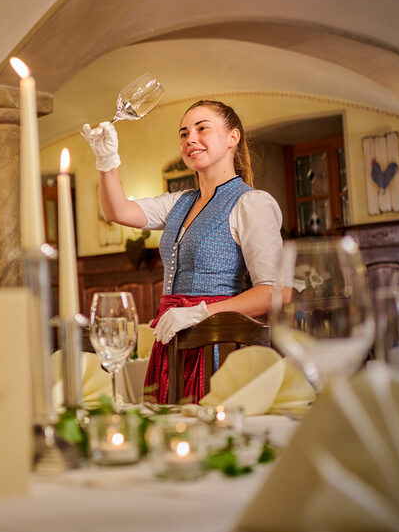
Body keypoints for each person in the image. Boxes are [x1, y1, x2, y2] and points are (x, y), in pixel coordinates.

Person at [82, 99, 283, 403]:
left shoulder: (251, 203)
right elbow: (118, 211)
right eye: (184, 133)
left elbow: (274, 291)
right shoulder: (180, 202)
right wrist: (107, 162)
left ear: (233, 137)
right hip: (171, 339)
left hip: (217, 343)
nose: (190, 139)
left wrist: (201, 313)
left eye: (202, 128)